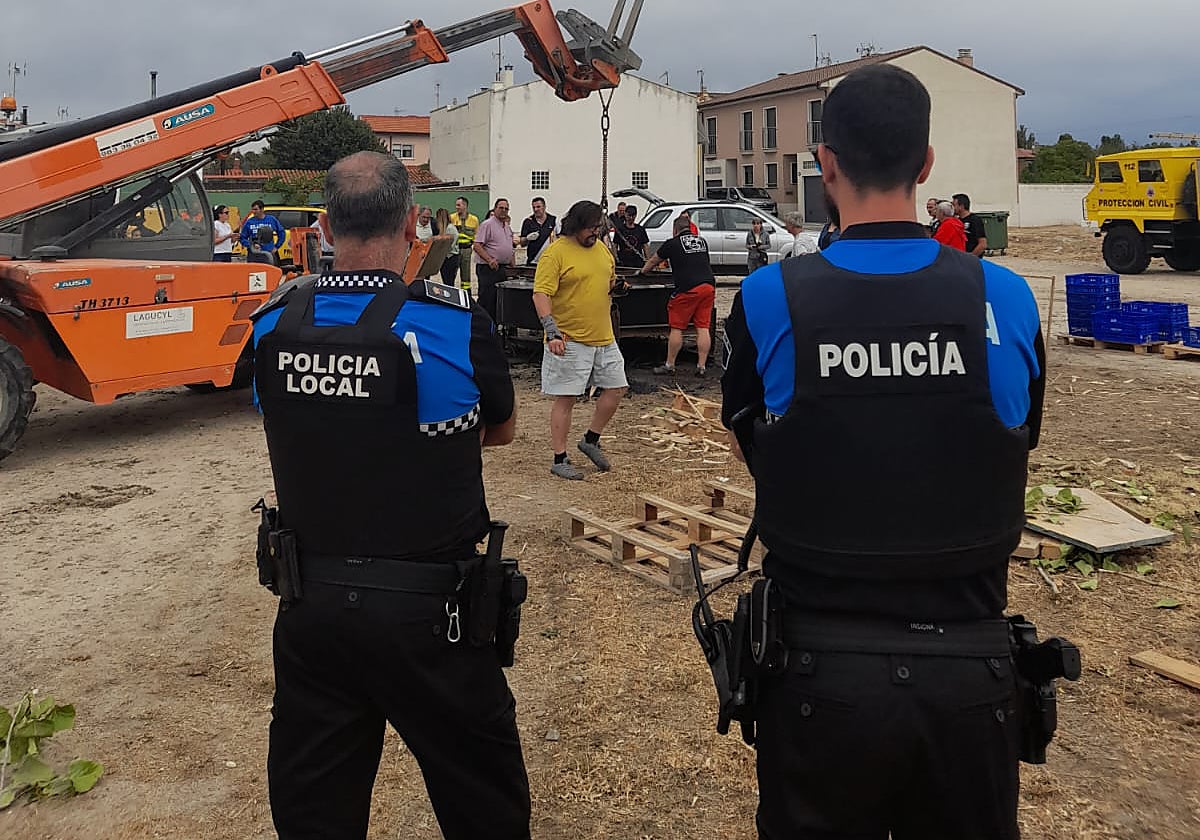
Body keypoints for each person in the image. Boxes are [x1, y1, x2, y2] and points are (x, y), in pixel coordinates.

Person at [720, 64, 1047, 840]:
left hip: (816, 676)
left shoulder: (770, 297)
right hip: (972, 672)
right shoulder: (1005, 296)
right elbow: (1017, 436)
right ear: (927, 164)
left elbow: (753, 438)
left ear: (824, 164)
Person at [249, 151, 529, 840]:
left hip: (311, 608)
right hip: (435, 616)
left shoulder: (273, 323)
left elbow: (292, 422)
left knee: (315, 815)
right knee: (484, 806)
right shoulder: (456, 324)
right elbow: (500, 430)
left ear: (321, 227)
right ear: (413, 225)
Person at [533, 200, 628, 480]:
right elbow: (541, 294)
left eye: (598, 228)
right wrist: (551, 331)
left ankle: (590, 439)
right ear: (575, 225)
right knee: (567, 398)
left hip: (603, 336)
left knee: (617, 388)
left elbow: (608, 282)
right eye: (591, 228)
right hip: (569, 338)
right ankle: (559, 457)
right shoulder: (556, 254)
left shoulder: (601, 249)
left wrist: (619, 288)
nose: (595, 233)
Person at [643, 214, 716, 377]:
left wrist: (642, 271)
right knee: (703, 327)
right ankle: (701, 366)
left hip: (688, 289)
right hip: (708, 286)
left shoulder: (672, 243)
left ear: (675, 230)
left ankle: (669, 365)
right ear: (690, 228)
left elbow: (654, 260)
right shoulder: (701, 241)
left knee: (677, 328)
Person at [472, 198, 514, 322]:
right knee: (487, 299)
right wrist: (489, 260)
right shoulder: (487, 224)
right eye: (501, 208)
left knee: (498, 300)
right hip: (488, 268)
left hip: (502, 269)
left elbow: (510, 247)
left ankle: (495, 327)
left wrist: (512, 264)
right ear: (495, 209)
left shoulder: (506, 227)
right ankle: (481, 325)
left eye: (506, 209)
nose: (503, 211)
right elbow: (477, 245)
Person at [239, 200, 287, 265]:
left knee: (270, 273)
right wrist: (251, 245)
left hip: (269, 253)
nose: (253, 211)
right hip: (254, 254)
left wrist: (276, 246)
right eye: (252, 209)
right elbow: (242, 238)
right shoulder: (249, 222)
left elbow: (281, 233)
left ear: (262, 209)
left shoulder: (271, 219)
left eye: (256, 209)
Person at [449, 196, 480, 290]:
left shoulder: (474, 219)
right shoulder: (451, 218)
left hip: (466, 250)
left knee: (466, 274)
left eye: (459, 205)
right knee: (451, 273)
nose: (456, 207)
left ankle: (466, 293)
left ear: (465, 206)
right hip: (454, 250)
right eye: (456, 205)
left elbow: (476, 236)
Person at [519, 196, 557, 265]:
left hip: (549, 260)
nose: (536, 209)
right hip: (533, 261)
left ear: (544, 207)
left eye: (538, 207)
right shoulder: (528, 221)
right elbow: (522, 243)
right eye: (534, 207)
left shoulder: (553, 220)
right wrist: (527, 238)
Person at [953, 192, 989, 257]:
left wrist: (971, 257)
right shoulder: (957, 221)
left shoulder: (975, 220)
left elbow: (983, 244)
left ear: (961, 206)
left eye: (954, 205)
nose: (952, 208)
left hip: (972, 260)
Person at [436, 207, 460, 284]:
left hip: (451, 258)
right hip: (445, 258)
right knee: (446, 282)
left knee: (449, 282)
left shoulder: (450, 229)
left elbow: (450, 246)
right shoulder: (444, 229)